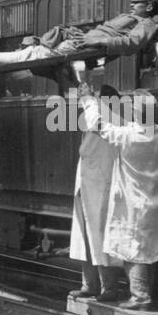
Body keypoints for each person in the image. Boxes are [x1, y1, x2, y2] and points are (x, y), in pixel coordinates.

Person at [0, 0, 158, 79]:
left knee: (36, 53)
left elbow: (132, 43)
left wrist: (101, 39)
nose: (132, 6)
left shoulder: (146, 23)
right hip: (82, 40)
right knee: (35, 51)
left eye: (138, 4)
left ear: (149, 7)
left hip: (87, 47)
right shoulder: (133, 18)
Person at [93, 87, 158, 309]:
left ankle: (140, 296)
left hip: (131, 203)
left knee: (133, 251)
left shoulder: (126, 135)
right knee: (148, 250)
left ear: (136, 113)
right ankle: (145, 293)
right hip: (153, 200)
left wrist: (90, 101)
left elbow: (97, 125)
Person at [69, 83, 123, 301]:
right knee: (85, 235)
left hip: (100, 184)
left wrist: (88, 99)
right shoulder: (106, 116)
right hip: (86, 183)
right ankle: (90, 285)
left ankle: (108, 288)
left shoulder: (108, 118)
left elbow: (93, 117)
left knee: (99, 235)